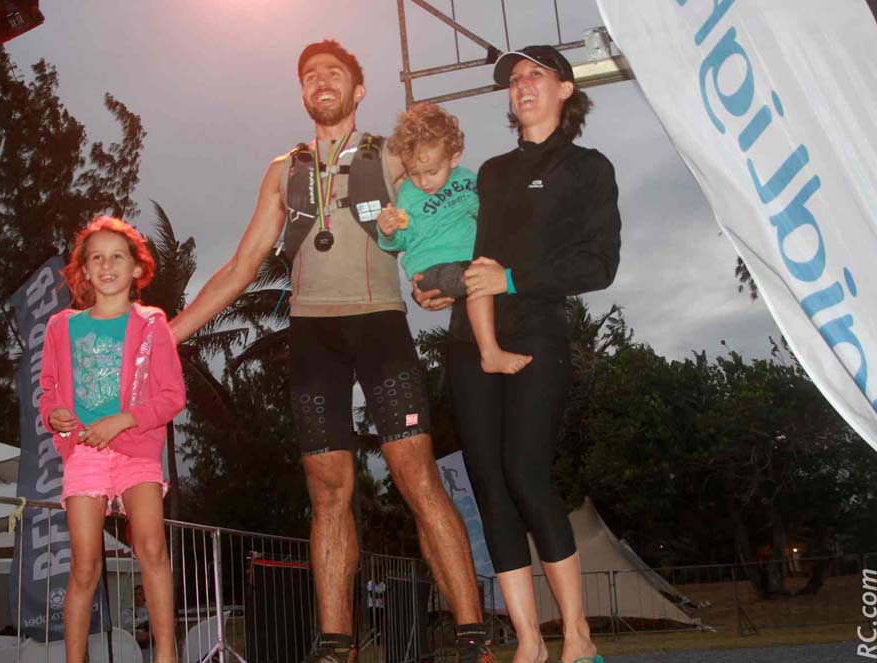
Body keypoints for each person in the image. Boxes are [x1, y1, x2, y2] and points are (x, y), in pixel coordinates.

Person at [169, 40, 492, 663]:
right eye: (310, 74)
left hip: (381, 326)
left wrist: (445, 274)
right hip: (312, 333)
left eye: (334, 72)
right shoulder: (283, 169)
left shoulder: (390, 153)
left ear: (357, 89)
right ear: (301, 93)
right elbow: (240, 267)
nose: (322, 80)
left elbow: (451, 193)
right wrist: (168, 334)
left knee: (417, 476)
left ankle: (475, 637)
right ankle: (336, 644)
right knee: (327, 489)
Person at [414, 45, 621, 663]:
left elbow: (600, 265)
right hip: (468, 341)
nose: (522, 85)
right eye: (514, 79)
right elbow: (473, 248)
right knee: (489, 487)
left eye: (536, 75)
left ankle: (577, 637)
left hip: (536, 334)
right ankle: (529, 642)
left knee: (527, 472)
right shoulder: (492, 172)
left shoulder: (589, 168)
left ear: (564, 89)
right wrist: (440, 285)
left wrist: (512, 280)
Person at [40, 216, 186, 663]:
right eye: (96, 257)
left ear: (137, 269)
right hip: (84, 453)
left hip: (137, 450)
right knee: (85, 565)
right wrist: (55, 415)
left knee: (151, 548)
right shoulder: (61, 327)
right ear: (83, 270)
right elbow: (48, 390)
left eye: (117, 256)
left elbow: (172, 396)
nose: (106, 265)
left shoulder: (151, 325)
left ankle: (165, 655)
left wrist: (122, 420)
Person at [377, 103, 531, 374]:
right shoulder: (409, 195)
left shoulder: (470, 180)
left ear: (455, 157)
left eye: (432, 172)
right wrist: (388, 232)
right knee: (477, 278)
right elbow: (404, 240)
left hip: (468, 260)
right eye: (414, 173)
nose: (423, 182)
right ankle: (490, 353)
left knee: (482, 273)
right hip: (431, 269)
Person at [122, 585, 152, 650]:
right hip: (133, 646)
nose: (137, 597)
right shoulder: (128, 611)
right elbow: (127, 625)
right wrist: (145, 619)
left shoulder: (151, 610)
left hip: (151, 648)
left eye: (140, 594)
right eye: (135, 594)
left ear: (145, 596)